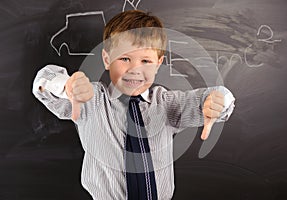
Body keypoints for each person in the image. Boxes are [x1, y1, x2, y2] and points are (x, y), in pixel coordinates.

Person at [32, 10, 235, 200]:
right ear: (106, 59)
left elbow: (208, 97)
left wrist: (218, 100)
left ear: (158, 63)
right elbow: (43, 81)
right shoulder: (90, 100)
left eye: (146, 61)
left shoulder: (166, 103)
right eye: (125, 58)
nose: (135, 70)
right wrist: (66, 86)